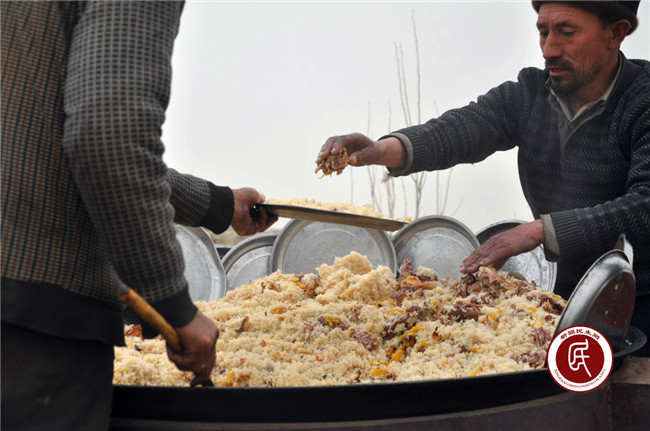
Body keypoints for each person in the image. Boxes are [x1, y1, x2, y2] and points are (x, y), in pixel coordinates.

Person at [1, 1, 276, 430]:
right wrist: (175, 308)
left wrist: (217, 204)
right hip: (32, 320)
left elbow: (48, 138)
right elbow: (108, 141)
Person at [317, 1, 649, 354]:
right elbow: (461, 130)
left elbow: (644, 205)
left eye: (567, 33)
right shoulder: (529, 94)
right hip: (564, 301)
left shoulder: (642, 100)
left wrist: (539, 230)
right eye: (543, 32)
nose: (549, 49)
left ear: (616, 33)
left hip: (640, 302)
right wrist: (379, 149)